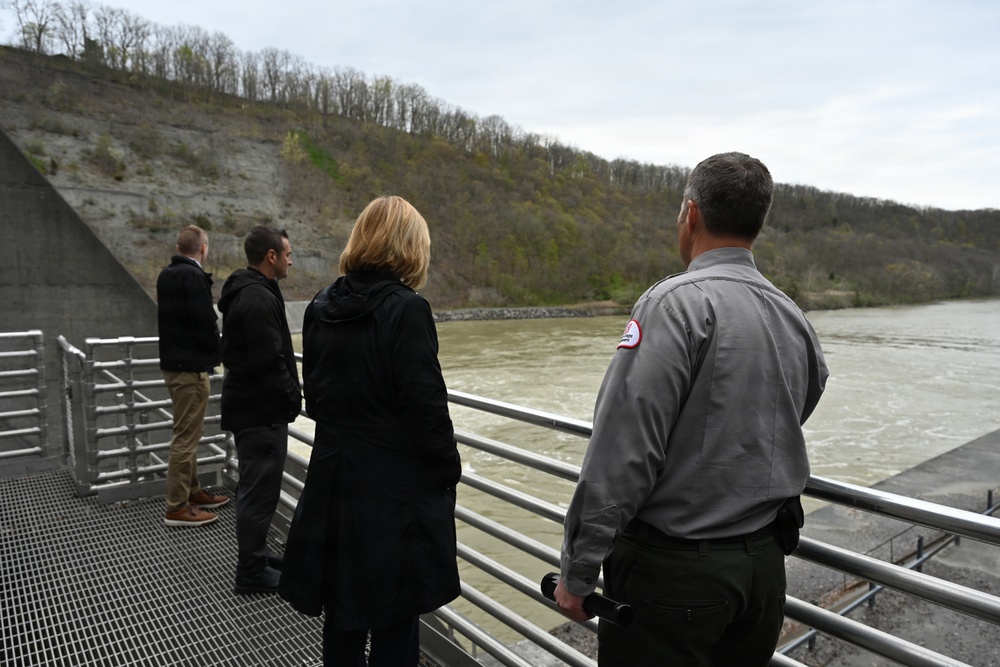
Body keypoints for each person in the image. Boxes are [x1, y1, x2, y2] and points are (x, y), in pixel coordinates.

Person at [554, 152, 829, 666]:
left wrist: (578, 571)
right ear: (757, 224)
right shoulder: (793, 315)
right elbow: (800, 403)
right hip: (763, 574)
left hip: (675, 579)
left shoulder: (673, 304)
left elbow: (623, 449)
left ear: (692, 214)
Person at [278, 195, 461, 666]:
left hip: (335, 481)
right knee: (395, 620)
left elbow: (315, 399)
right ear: (410, 247)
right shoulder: (406, 309)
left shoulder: (321, 305)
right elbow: (426, 411)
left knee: (343, 615)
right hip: (392, 494)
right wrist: (448, 470)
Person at [219, 225, 302, 595]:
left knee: (257, 489)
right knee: (258, 492)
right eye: (287, 254)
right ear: (271, 256)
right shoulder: (256, 298)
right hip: (260, 411)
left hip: (252, 408)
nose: (290, 260)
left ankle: (257, 556)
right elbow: (270, 360)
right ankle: (251, 571)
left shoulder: (251, 291)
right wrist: (291, 400)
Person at [157, 225, 228, 527]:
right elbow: (205, 323)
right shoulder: (194, 277)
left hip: (174, 364)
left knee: (188, 433)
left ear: (178, 247)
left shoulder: (166, 275)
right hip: (191, 369)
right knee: (186, 437)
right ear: (202, 249)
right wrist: (221, 354)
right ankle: (176, 506)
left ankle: (192, 491)